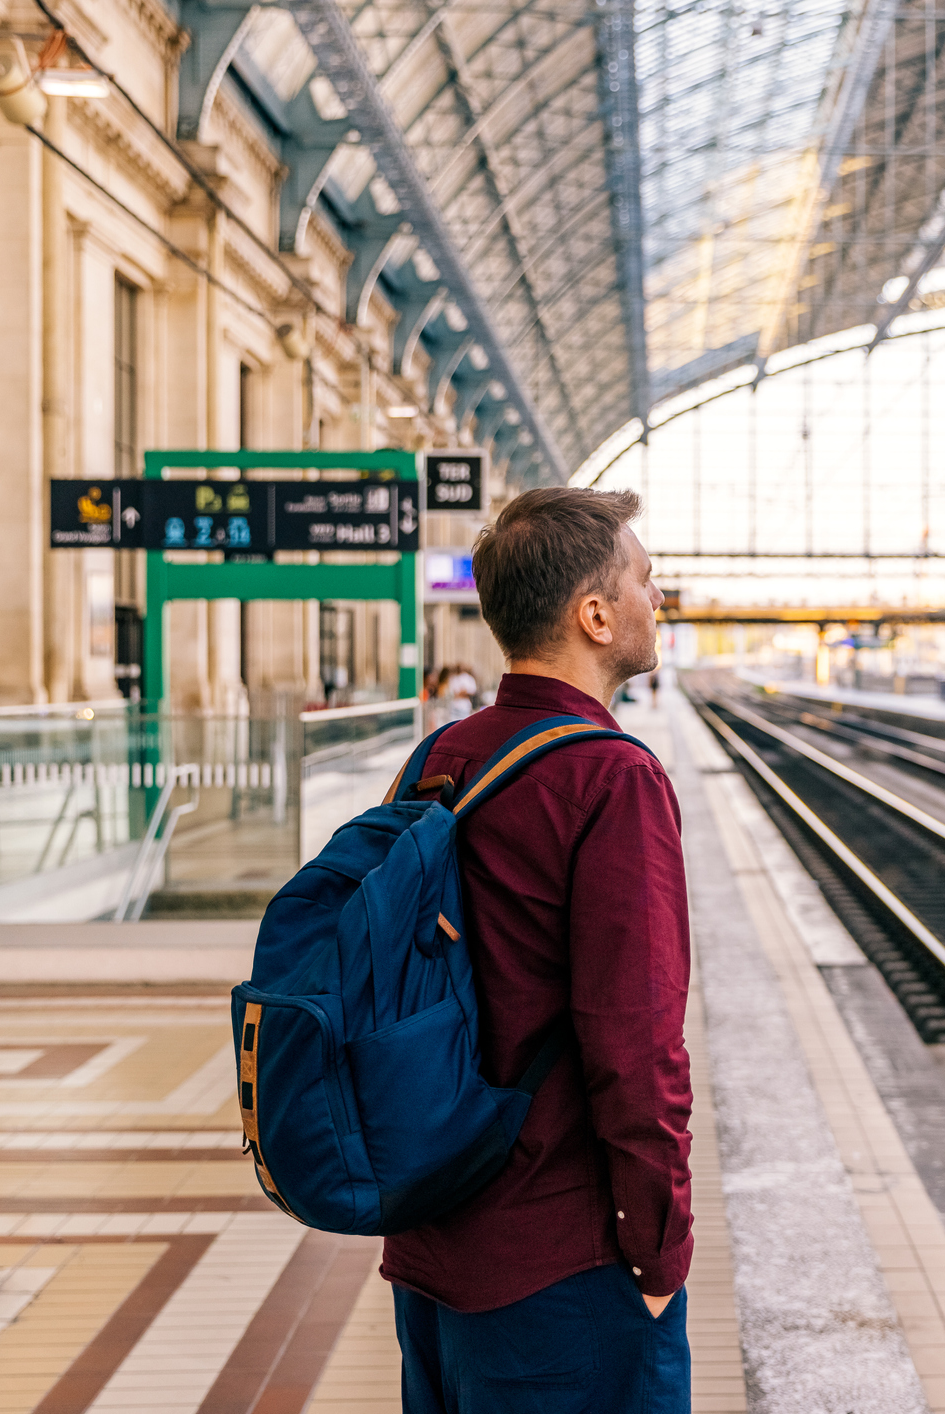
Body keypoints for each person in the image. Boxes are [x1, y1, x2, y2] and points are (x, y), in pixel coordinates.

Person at [384, 487, 692, 1414]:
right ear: (596, 615)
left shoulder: (438, 759)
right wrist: (660, 1251)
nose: (656, 598)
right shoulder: (613, 778)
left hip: (433, 1242)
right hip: (565, 1266)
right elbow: (635, 1045)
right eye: (644, 580)